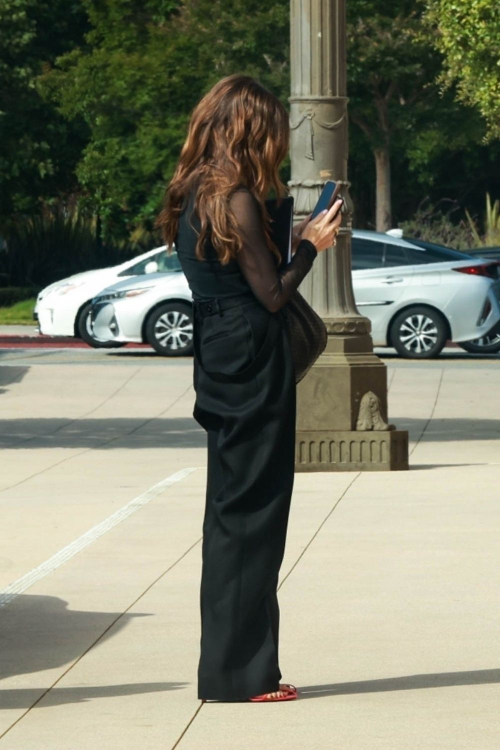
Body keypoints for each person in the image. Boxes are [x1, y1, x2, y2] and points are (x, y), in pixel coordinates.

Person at [157, 74, 342, 703]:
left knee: (233, 514)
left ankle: (237, 667)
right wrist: (312, 246)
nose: (280, 140)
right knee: (254, 515)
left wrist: (285, 239)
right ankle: (241, 675)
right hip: (250, 357)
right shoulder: (234, 195)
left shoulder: (196, 190)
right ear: (249, 128)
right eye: (272, 127)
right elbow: (271, 295)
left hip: (219, 352)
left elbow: (240, 274)